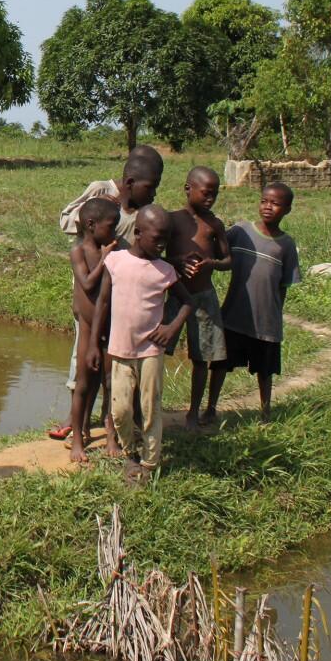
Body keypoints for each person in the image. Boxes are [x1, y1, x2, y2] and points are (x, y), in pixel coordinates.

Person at [51, 145, 163, 442]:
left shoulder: (142, 217)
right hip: (90, 303)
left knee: (111, 364)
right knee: (83, 359)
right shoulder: (101, 194)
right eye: (150, 188)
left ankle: (108, 418)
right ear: (129, 183)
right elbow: (66, 221)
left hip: (118, 303)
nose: (153, 195)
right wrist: (99, 207)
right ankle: (77, 420)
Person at [95, 204, 192, 483]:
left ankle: (149, 463)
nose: (161, 245)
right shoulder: (115, 261)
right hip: (120, 349)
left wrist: (171, 328)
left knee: (150, 408)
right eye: (157, 238)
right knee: (121, 408)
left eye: (165, 239)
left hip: (150, 350)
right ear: (137, 233)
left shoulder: (165, 270)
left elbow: (187, 301)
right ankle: (129, 454)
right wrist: (94, 342)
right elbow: (102, 302)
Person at [210, 182, 301, 422]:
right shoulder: (241, 232)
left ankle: (265, 412)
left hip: (266, 322)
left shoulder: (286, 245)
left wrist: (275, 314)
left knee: (265, 370)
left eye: (275, 203)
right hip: (234, 316)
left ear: (287, 209)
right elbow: (218, 249)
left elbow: (283, 286)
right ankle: (210, 408)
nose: (268, 207)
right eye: (264, 201)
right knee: (220, 364)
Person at [165, 166, 232, 430]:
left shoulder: (214, 224)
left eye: (214, 194)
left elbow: (228, 261)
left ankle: (194, 411)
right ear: (188, 189)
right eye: (206, 193)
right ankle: (148, 407)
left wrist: (210, 263)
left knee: (202, 355)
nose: (210, 199)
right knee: (156, 351)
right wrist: (177, 263)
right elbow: (154, 256)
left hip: (204, 296)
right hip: (175, 295)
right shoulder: (172, 220)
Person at [65, 196, 119, 463]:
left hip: (110, 329)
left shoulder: (113, 252)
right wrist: (105, 259)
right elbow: (86, 283)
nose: (115, 233)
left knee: (110, 385)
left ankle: (111, 437)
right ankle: (77, 440)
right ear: (90, 224)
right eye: (111, 226)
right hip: (87, 329)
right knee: (83, 385)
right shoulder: (79, 252)